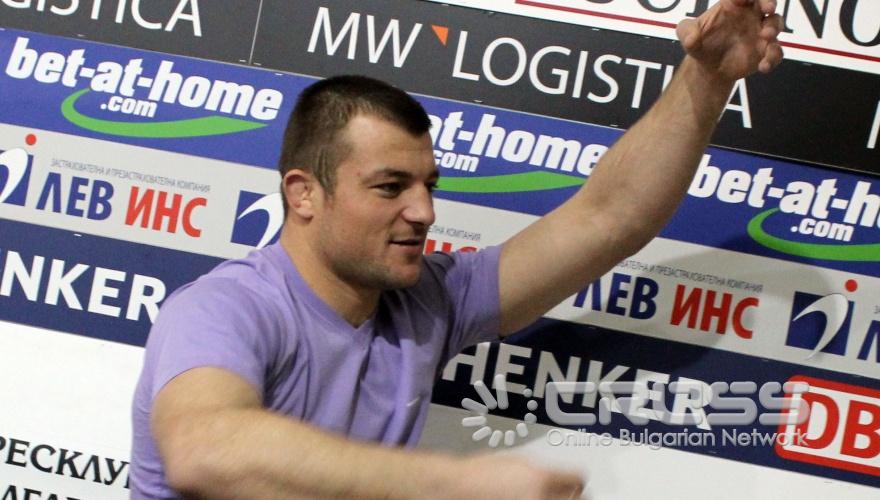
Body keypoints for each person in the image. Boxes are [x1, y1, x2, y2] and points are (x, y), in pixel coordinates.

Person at [129, 0, 784, 498]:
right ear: (303, 194)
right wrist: (453, 485)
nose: (423, 211)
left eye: (428, 186)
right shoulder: (226, 308)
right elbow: (203, 448)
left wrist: (707, 78)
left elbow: (609, 217)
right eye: (390, 187)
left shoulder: (428, 299)